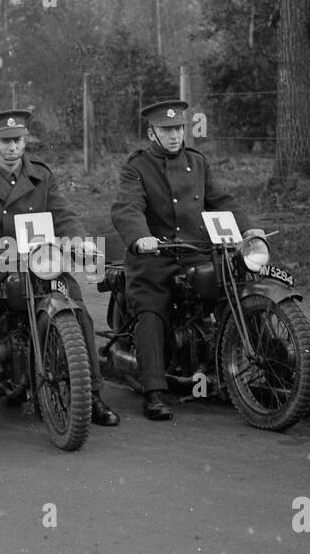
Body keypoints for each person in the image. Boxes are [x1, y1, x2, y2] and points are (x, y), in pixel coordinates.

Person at [0, 109, 120, 434]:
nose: (13, 147)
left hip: (40, 265)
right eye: (6, 141)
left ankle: (90, 395)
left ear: (25, 141)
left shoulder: (42, 175)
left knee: (78, 309)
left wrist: (78, 241)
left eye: (18, 140)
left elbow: (62, 212)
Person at [110, 99, 267, 420]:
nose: (174, 136)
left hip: (197, 251)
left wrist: (250, 229)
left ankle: (270, 358)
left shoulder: (197, 162)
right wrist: (141, 237)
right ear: (152, 133)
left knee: (237, 282)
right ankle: (154, 391)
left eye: (178, 129)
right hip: (156, 255)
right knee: (152, 307)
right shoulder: (137, 167)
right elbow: (127, 207)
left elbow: (221, 199)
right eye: (166, 130)